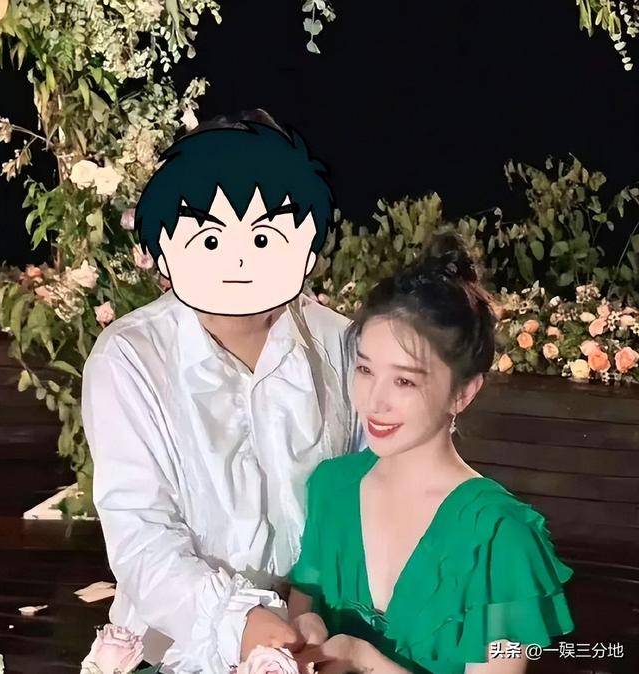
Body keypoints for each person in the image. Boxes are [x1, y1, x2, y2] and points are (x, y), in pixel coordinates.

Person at [81, 110, 363, 673]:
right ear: (166, 249)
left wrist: (308, 606)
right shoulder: (132, 357)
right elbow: (140, 532)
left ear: (305, 247)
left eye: (262, 237)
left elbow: (365, 486)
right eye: (210, 238)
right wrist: (240, 622)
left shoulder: (341, 345)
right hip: (179, 650)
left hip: (321, 641)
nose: (238, 260)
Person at [288, 233, 575, 673]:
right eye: (365, 369)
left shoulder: (500, 538)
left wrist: (363, 659)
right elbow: (303, 612)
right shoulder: (331, 487)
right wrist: (306, 630)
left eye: (404, 381)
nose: (374, 401)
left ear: (463, 393)